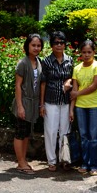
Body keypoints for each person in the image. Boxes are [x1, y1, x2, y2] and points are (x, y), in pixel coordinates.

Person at [69, 40, 97, 175]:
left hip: (95, 105)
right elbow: (74, 92)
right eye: (83, 52)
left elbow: (94, 86)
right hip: (80, 106)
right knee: (83, 136)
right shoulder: (77, 68)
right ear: (80, 53)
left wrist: (77, 93)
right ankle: (85, 164)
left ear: (94, 52)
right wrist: (71, 109)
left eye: (89, 52)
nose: (86, 55)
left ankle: (95, 165)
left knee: (94, 137)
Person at [40, 31, 74, 171]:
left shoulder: (70, 60)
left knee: (65, 131)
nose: (59, 45)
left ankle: (64, 158)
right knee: (51, 131)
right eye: (56, 43)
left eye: (61, 43)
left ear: (65, 45)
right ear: (51, 45)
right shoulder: (46, 62)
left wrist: (69, 81)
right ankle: (52, 161)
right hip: (51, 100)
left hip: (66, 101)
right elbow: (43, 83)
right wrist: (41, 104)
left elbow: (73, 77)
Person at [11, 33, 44, 175]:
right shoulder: (23, 63)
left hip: (33, 103)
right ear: (27, 46)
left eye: (38, 45)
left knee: (26, 134)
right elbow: (18, 86)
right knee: (20, 133)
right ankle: (20, 162)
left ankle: (23, 160)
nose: (36, 48)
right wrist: (20, 106)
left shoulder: (39, 62)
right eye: (33, 45)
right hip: (23, 102)